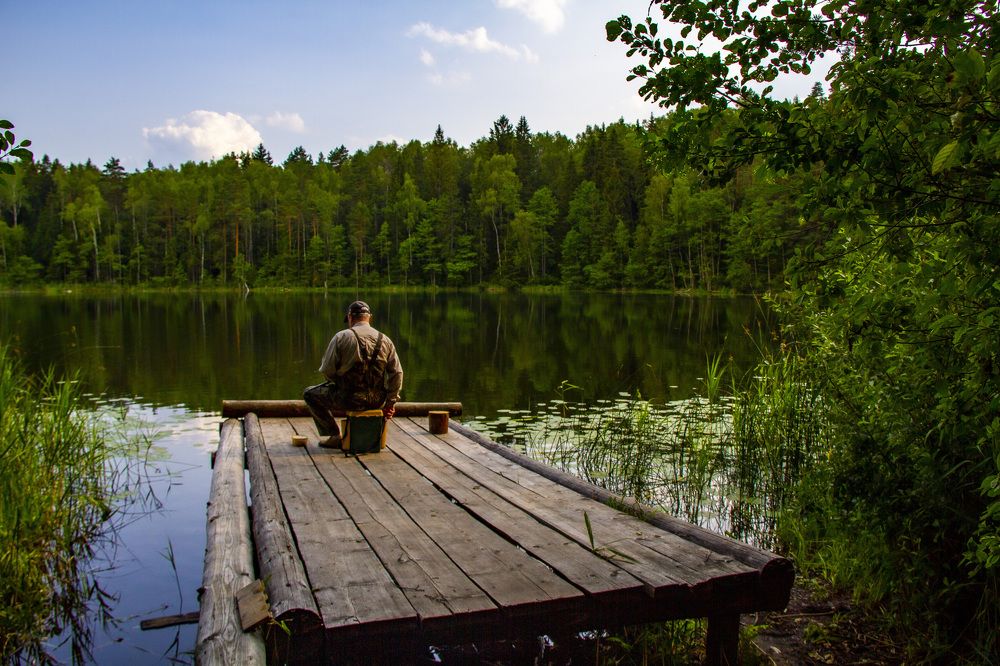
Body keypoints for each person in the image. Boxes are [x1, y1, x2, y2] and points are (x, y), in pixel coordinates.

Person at [303, 300, 403, 448]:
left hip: (348, 399)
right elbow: (397, 374)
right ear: (369, 317)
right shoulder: (385, 340)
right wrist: (390, 402)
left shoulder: (341, 337)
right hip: (377, 400)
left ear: (350, 317)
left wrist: (337, 382)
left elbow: (327, 370)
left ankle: (334, 436)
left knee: (309, 394)